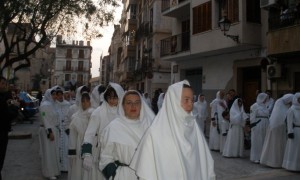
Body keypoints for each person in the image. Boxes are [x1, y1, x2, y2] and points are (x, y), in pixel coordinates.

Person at [130, 80, 216, 180]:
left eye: (192, 100)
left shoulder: (194, 128)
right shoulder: (155, 134)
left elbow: (204, 162)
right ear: (174, 100)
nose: (190, 105)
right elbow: (148, 172)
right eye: (186, 100)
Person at [99, 90, 155, 179]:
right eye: (129, 103)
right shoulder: (114, 127)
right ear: (123, 106)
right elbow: (106, 156)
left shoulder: (151, 126)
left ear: (141, 105)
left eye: (137, 103)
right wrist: (113, 175)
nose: (133, 106)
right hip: (123, 176)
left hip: (147, 175)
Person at [81, 82, 124, 177]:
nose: (112, 101)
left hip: (120, 154)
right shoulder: (98, 112)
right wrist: (87, 154)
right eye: (109, 97)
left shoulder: (124, 113)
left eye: (115, 98)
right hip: (102, 154)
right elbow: (90, 133)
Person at [260, 93, 293, 168]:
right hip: (277, 127)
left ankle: (278, 161)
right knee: (275, 145)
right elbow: (280, 117)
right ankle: (274, 162)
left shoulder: (282, 105)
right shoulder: (281, 105)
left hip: (279, 127)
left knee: (277, 145)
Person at [68, 93, 95, 180]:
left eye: (87, 101)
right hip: (79, 144)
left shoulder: (94, 114)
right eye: (83, 101)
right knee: (79, 169)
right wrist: (72, 151)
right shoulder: (75, 117)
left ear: (90, 102)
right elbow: (72, 135)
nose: (85, 103)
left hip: (92, 145)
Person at [39, 88, 60, 179]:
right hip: (48, 131)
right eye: (53, 94)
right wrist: (49, 132)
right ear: (49, 95)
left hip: (53, 130)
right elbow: (45, 119)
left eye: (56, 94)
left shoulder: (52, 104)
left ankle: (54, 171)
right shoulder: (45, 105)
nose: (55, 96)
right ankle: (49, 173)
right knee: (48, 152)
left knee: (53, 152)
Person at [0, 77, 16, 180]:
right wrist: (14, 107)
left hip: (3, 130)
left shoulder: (6, 96)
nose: (4, 85)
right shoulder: (5, 98)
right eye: (2, 83)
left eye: (5, 83)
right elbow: (9, 114)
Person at [282, 92, 300, 171]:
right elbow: (289, 122)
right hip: (295, 131)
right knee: (294, 149)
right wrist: (290, 132)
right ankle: (292, 166)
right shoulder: (291, 109)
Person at [250, 92, 269, 163]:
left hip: (265, 124)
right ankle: (256, 157)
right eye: (265, 98)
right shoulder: (254, 106)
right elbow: (252, 116)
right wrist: (253, 125)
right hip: (258, 124)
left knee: (264, 140)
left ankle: (263, 156)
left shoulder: (265, 106)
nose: (266, 100)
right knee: (257, 140)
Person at [55, 87, 71, 172]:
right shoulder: (54, 105)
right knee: (58, 148)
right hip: (58, 130)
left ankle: (66, 167)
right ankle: (59, 167)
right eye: (58, 95)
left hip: (65, 129)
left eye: (61, 95)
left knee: (66, 146)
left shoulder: (67, 104)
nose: (60, 96)